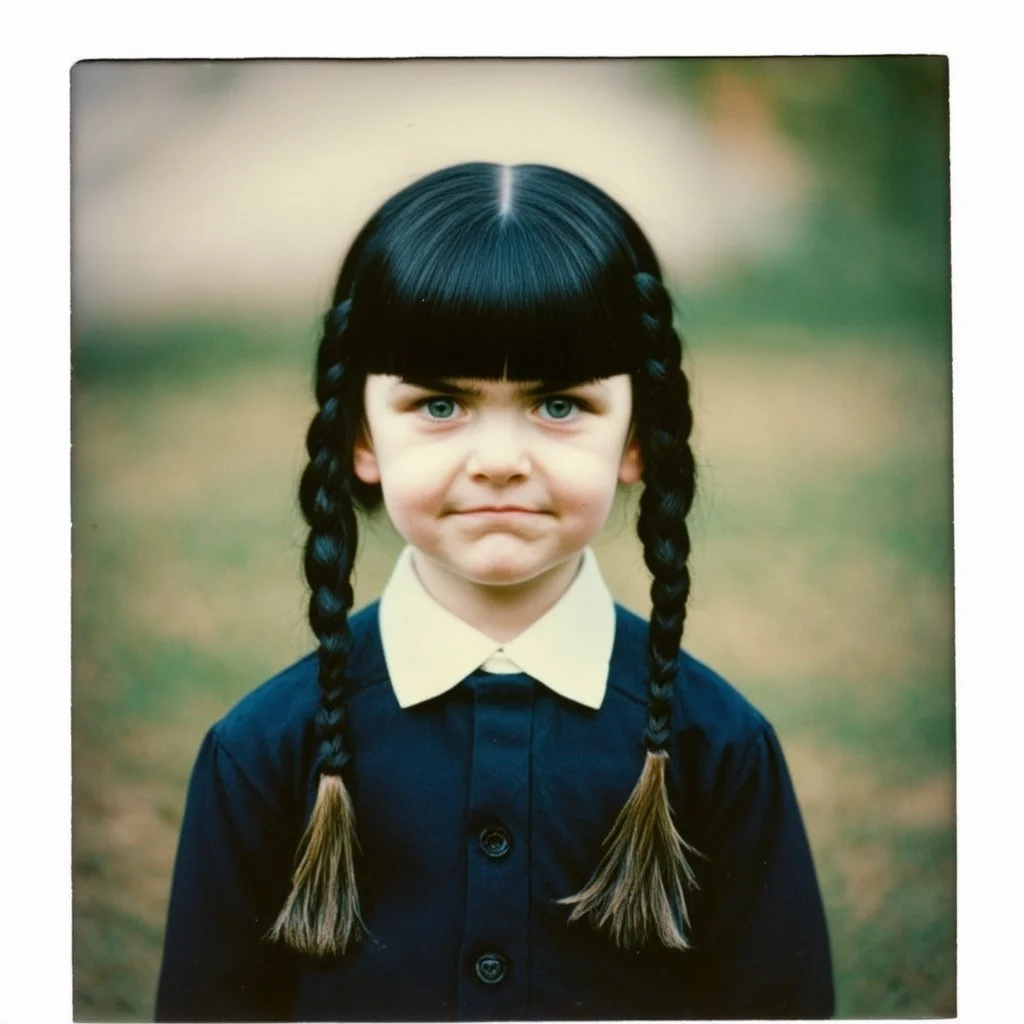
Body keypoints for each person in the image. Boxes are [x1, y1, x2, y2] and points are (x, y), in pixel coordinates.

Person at [155, 162, 834, 1021]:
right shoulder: (262, 753)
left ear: (637, 440)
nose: (501, 458)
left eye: (558, 405)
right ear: (362, 437)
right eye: (440, 405)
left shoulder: (719, 749)